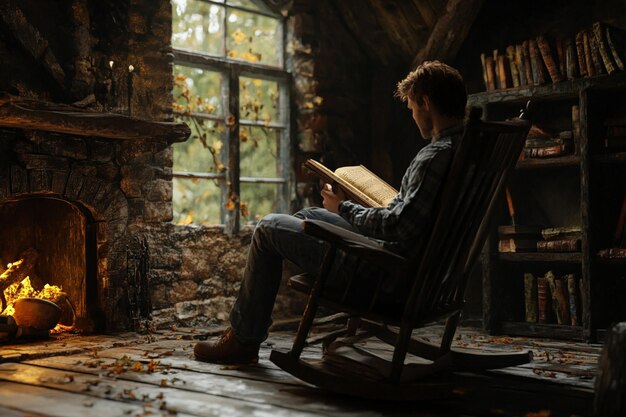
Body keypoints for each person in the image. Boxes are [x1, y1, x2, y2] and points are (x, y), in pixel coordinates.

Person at [194, 60, 468, 364]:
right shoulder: (466, 152)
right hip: (426, 276)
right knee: (308, 217)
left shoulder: (435, 157)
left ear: (426, 102)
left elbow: (399, 227)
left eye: (413, 108)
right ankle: (252, 325)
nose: (414, 116)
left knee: (268, 228)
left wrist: (344, 207)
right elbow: (415, 218)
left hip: (387, 275)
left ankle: (244, 340)